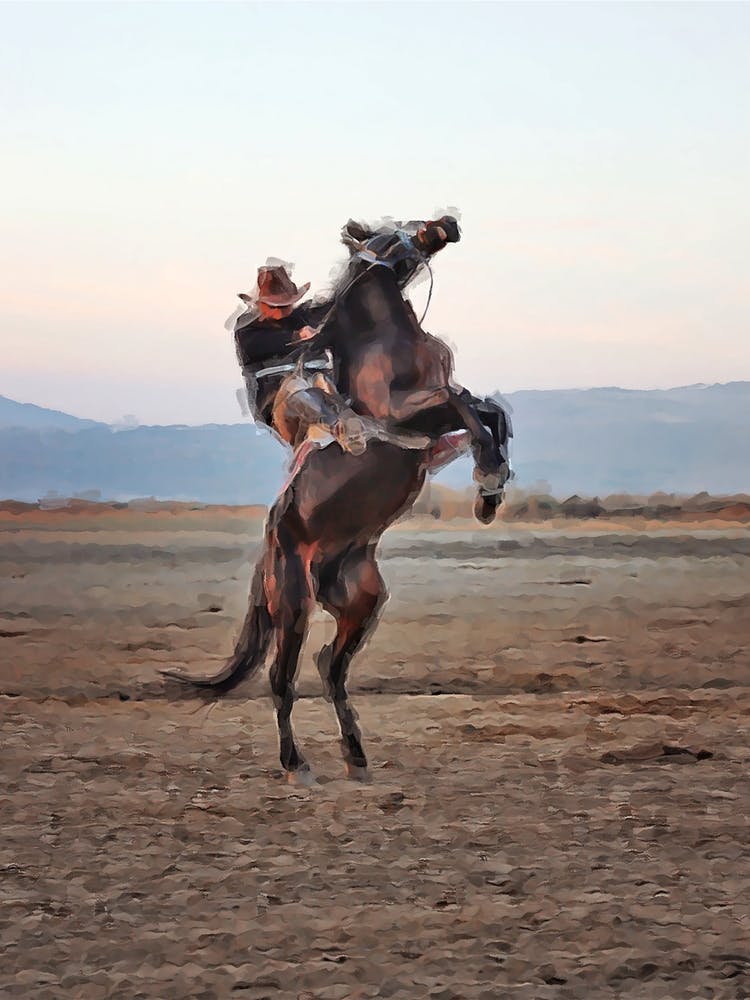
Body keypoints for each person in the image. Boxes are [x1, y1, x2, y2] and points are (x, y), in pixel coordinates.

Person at [233, 261, 366, 454]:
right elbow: (257, 345)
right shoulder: (247, 328)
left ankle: (354, 422)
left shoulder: (305, 316)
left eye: (285, 306)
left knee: (322, 381)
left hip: (322, 385)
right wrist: (296, 336)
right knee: (296, 385)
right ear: (261, 305)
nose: (281, 311)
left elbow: (338, 306)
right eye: (275, 306)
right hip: (276, 397)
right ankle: (338, 426)